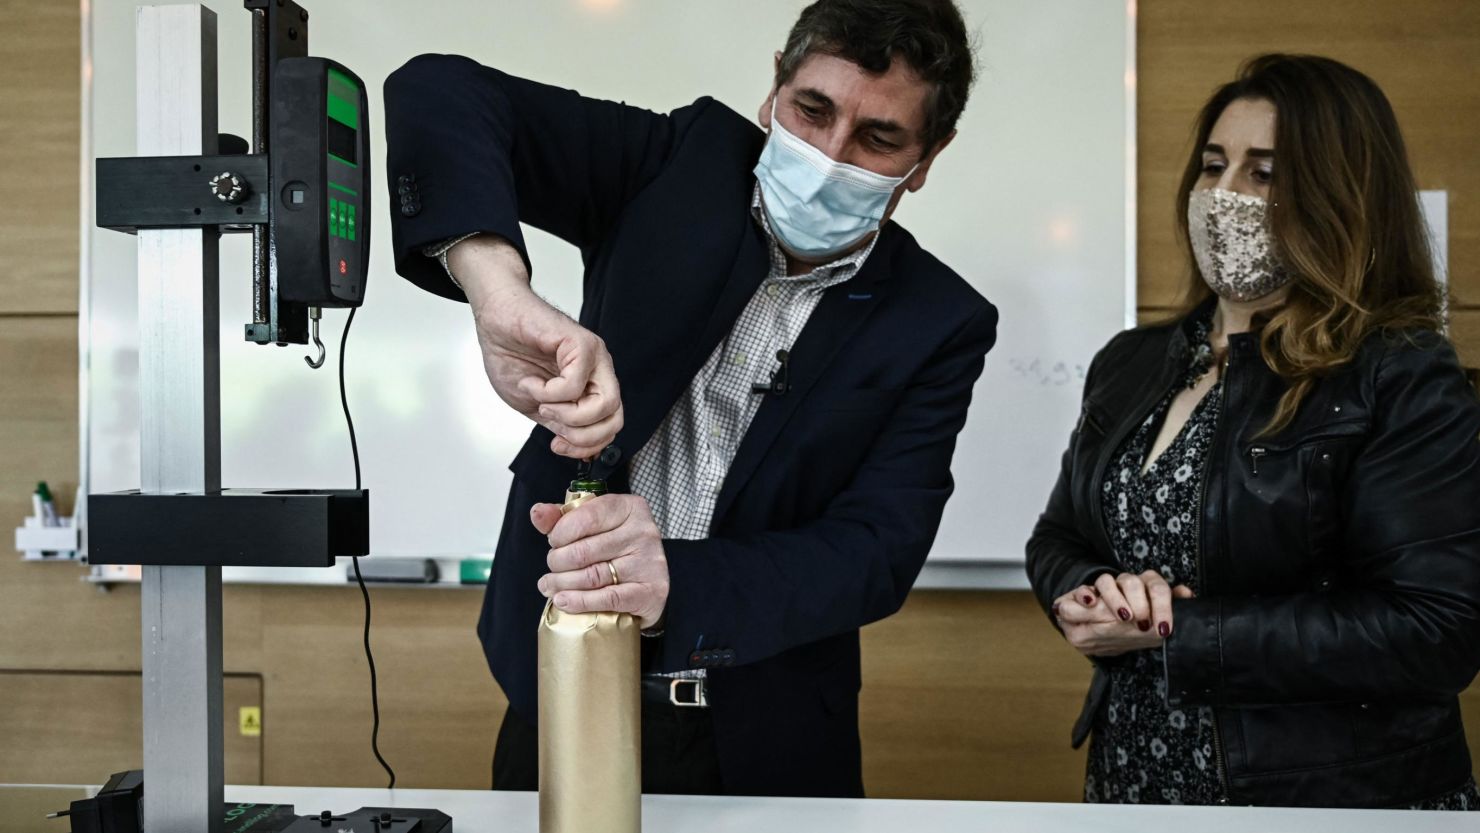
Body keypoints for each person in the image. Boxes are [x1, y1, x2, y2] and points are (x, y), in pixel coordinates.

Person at [383, 0, 995, 797]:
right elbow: (438, 91)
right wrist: (497, 291)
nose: (830, 154)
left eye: (879, 139)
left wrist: (675, 579)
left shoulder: (938, 319)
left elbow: (875, 551)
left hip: (768, 737)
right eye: (811, 111)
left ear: (927, 157)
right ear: (774, 83)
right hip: (557, 692)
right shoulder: (677, 162)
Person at [1026, 53, 1480, 809]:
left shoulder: (1398, 372)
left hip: (1330, 797)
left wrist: (1181, 629)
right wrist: (1086, 594)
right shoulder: (1131, 361)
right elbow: (1057, 538)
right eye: (1213, 165)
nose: (1223, 195)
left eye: (1263, 173)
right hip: (1136, 782)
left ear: (1340, 195)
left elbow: (1436, 629)